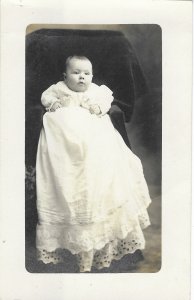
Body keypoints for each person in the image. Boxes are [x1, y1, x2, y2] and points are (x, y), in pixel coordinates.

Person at [36, 55, 151, 272]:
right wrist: (54, 104)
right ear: (65, 75)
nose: (81, 78)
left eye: (86, 74)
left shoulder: (96, 91)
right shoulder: (58, 88)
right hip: (64, 137)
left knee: (103, 145)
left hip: (92, 136)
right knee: (57, 129)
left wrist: (99, 108)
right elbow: (46, 97)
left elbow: (106, 102)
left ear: (92, 76)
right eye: (76, 73)